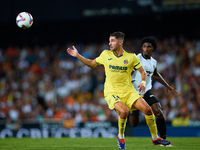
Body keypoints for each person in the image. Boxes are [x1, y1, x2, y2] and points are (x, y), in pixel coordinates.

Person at [67, 32, 170, 149]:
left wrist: (142, 82)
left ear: (120, 42)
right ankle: (120, 136)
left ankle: (155, 138)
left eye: (112, 41)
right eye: (109, 41)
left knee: (148, 110)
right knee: (124, 111)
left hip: (129, 91)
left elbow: (142, 71)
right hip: (112, 92)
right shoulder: (105, 54)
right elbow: (91, 64)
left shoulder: (131, 57)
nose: (109, 43)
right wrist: (77, 55)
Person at [129, 36, 178, 140]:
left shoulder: (153, 62)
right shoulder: (136, 59)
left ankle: (163, 139)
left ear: (153, 49)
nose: (146, 48)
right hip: (134, 92)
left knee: (158, 112)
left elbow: (155, 74)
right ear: (142, 48)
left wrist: (167, 85)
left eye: (149, 46)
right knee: (134, 123)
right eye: (144, 46)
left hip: (146, 90)